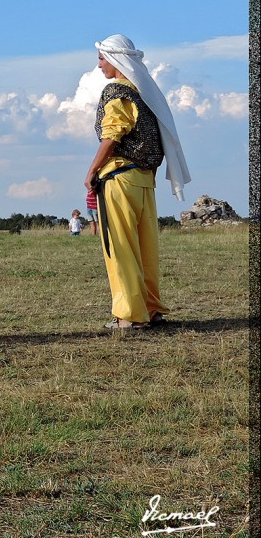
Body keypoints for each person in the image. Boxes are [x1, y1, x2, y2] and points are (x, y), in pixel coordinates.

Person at [84, 34, 190, 331]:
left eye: (103, 57)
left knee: (120, 247)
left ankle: (129, 315)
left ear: (117, 60)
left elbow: (112, 135)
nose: (99, 63)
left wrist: (92, 171)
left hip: (118, 178)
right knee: (146, 248)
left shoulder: (116, 92)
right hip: (144, 180)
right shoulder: (144, 94)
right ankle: (151, 309)